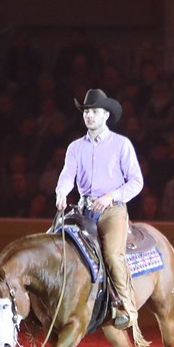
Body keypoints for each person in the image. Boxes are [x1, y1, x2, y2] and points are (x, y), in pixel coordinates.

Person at [55, 88, 144, 331]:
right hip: (83, 209)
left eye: (94, 112)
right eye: (87, 112)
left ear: (106, 115)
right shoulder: (75, 147)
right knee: (55, 242)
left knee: (113, 254)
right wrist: (61, 192)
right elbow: (67, 174)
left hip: (112, 210)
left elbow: (136, 182)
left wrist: (111, 196)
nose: (89, 116)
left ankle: (126, 306)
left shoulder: (121, 145)